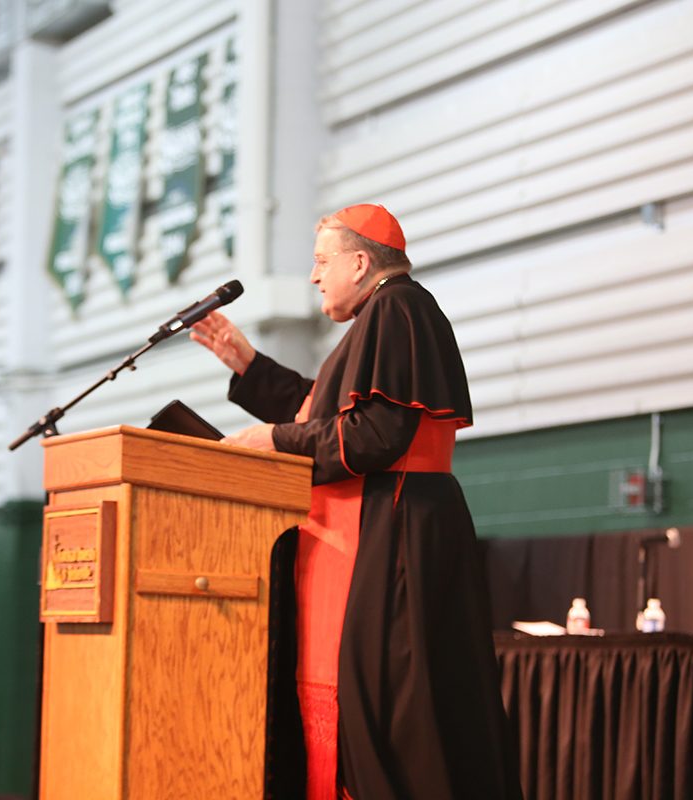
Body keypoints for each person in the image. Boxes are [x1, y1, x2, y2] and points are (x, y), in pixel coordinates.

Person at [191, 204, 522, 800]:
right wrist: (248, 366)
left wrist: (272, 439)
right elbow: (324, 412)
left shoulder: (398, 308)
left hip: (389, 532)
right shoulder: (382, 316)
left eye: (322, 262)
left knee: (392, 710)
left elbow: (373, 434)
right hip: (371, 524)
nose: (314, 277)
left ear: (361, 262)